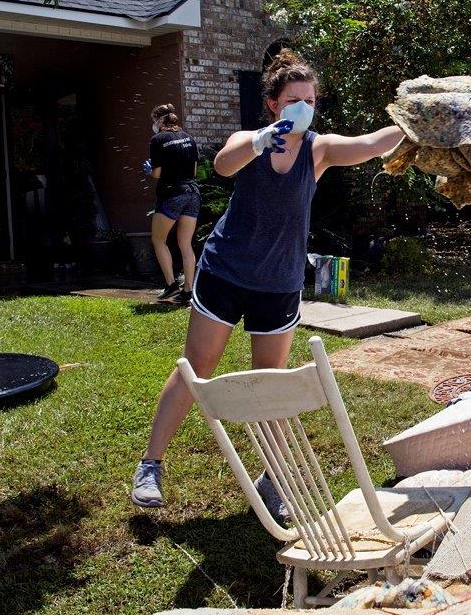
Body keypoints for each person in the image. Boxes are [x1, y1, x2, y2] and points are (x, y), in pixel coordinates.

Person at [131, 50, 407, 508]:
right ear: (275, 104)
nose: (305, 106)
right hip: (225, 272)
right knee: (196, 367)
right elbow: (222, 164)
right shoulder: (249, 140)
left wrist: (417, 125)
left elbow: (372, 144)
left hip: (278, 283)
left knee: (270, 382)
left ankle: (271, 478)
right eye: (295, 98)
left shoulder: (318, 149)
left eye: (311, 99)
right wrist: (260, 141)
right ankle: (151, 465)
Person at [143, 104, 200, 304]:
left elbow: (157, 174)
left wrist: (149, 170)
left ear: (159, 121)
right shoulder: (189, 138)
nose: (153, 125)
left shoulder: (157, 140)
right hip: (192, 193)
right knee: (185, 244)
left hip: (171, 194)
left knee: (159, 240)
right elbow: (193, 172)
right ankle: (188, 291)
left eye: (154, 121)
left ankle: (170, 285)